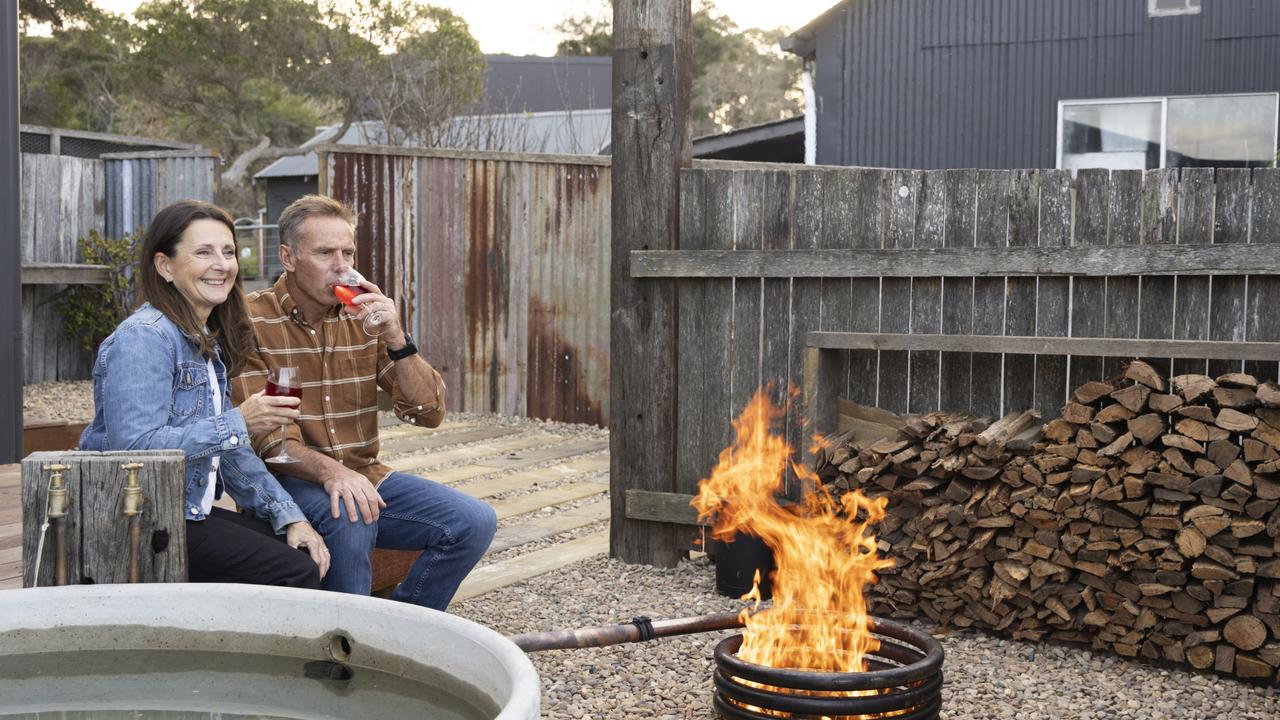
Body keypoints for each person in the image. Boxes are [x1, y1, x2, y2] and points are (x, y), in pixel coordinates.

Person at [230, 194, 496, 611]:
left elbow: (428, 412)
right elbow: (271, 439)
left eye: (348, 252)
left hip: (361, 475)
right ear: (288, 257)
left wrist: (396, 338)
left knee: (473, 522)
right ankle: (347, 647)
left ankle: (400, 630)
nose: (342, 265)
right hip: (283, 483)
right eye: (325, 253)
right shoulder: (251, 320)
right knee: (350, 514)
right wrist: (334, 473)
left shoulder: (363, 317)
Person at [79, 199, 330, 588]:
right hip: (136, 519)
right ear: (165, 266)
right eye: (203, 252)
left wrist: (289, 516)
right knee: (294, 570)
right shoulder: (145, 337)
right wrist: (238, 422)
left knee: (301, 548)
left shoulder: (201, 342)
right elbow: (135, 448)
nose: (222, 264)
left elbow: (231, 452)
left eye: (228, 252)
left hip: (182, 510)